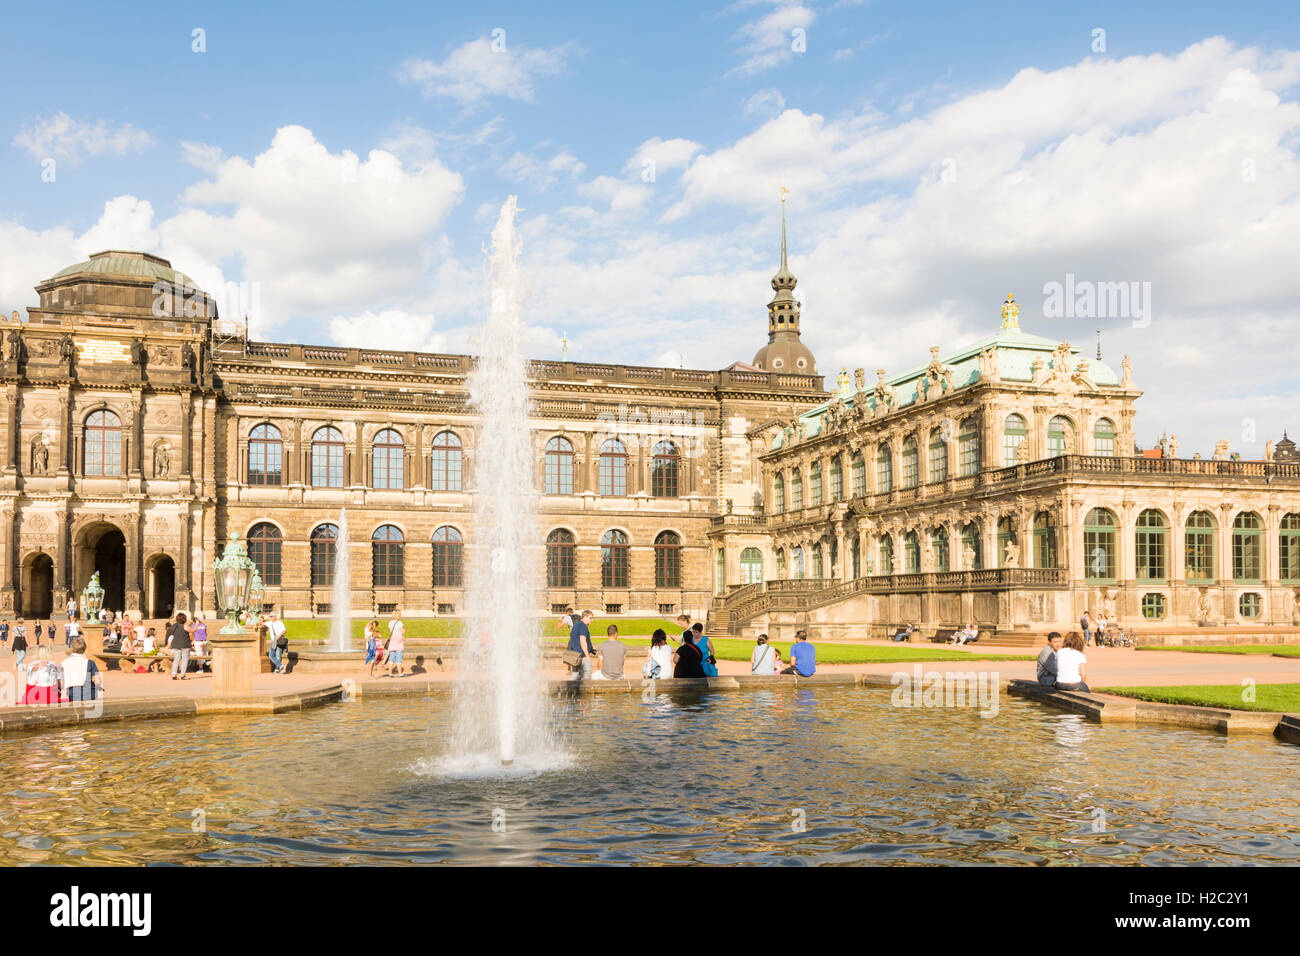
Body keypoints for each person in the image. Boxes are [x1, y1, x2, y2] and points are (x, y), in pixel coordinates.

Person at [63, 637, 102, 702]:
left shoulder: (64, 662)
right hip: (89, 694)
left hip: (72, 694)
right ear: (84, 649)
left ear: (72, 648)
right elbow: (98, 682)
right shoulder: (90, 663)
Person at [567, 610, 595, 680]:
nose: (592, 620)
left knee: (575, 676)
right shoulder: (583, 626)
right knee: (586, 678)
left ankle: (570, 690)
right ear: (584, 617)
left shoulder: (576, 625)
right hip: (582, 656)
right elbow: (582, 641)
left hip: (575, 656)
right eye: (590, 618)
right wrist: (587, 655)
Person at [169, 612, 193, 680]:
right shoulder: (185, 626)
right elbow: (192, 630)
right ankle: (182, 675)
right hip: (185, 645)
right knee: (185, 660)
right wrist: (196, 625)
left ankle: (174, 674)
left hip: (176, 644)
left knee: (176, 660)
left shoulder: (174, 626)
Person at [386, 609, 407, 678]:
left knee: (391, 658)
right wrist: (404, 630)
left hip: (392, 641)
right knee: (399, 658)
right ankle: (400, 673)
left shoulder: (390, 623)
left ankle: (390, 673)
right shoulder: (400, 623)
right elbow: (403, 631)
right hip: (399, 641)